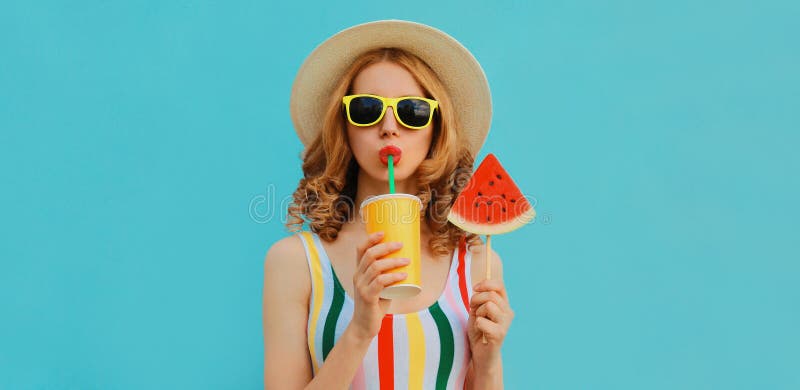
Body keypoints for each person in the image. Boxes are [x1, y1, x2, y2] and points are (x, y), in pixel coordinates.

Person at [263, 20, 514, 389]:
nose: (389, 127)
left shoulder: (478, 265)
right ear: (344, 127)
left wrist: (489, 362)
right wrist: (361, 329)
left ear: (436, 128)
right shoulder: (295, 263)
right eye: (366, 109)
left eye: (412, 111)